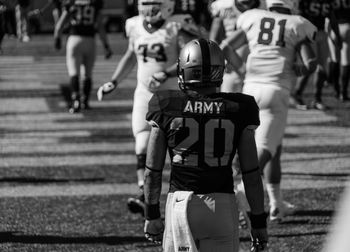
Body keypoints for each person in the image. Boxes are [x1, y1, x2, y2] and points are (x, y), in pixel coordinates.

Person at [143, 38, 268, 252]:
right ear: (220, 71)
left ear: (184, 70)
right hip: (221, 206)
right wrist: (258, 221)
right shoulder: (240, 107)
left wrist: (152, 214)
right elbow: (251, 174)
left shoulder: (165, 103)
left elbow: (152, 171)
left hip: (180, 203)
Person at [97, 0, 200, 216]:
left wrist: (166, 73)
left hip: (173, 95)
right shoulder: (134, 25)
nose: (149, 9)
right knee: (142, 143)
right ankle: (145, 195)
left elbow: (190, 58)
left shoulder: (176, 25)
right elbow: (130, 55)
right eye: (146, 3)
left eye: (154, 4)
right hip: (144, 94)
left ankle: (189, 197)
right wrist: (114, 81)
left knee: (180, 151)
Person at [220, 0, 318, 222]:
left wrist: (244, 71)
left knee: (275, 148)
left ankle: (276, 203)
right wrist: (299, 69)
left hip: (251, 89)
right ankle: (242, 189)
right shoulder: (298, 23)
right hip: (276, 90)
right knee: (266, 148)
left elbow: (225, 46)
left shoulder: (253, 17)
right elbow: (311, 61)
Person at [54, 0, 112, 114]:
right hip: (90, 40)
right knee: (87, 73)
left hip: (74, 39)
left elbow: (60, 24)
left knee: (74, 72)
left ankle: (75, 100)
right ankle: (85, 101)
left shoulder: (72, 3)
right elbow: (100, 26)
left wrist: (57, 38)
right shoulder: (94, 3)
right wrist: (106, 46)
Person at [290, 0, 342, 110]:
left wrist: (337, 35)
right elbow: (297, 17)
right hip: (308, 34)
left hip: (321, 33)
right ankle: (297, 94)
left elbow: (332, 17)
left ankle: (317, 99)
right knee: (310, 65)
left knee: (322, 67)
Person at [209, 0, 260, 93]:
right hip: (231, 63)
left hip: (256, 63)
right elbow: (214, 39)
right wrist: (217, 60)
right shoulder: (223, 6)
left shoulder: (265, 6)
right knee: (230, 103)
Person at [327, 1, 350, 101]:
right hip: (347, 26)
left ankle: (336, 90)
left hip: (333, 26)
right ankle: (343, 93)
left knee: (334, 59)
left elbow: (327, 14)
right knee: (346, 61)